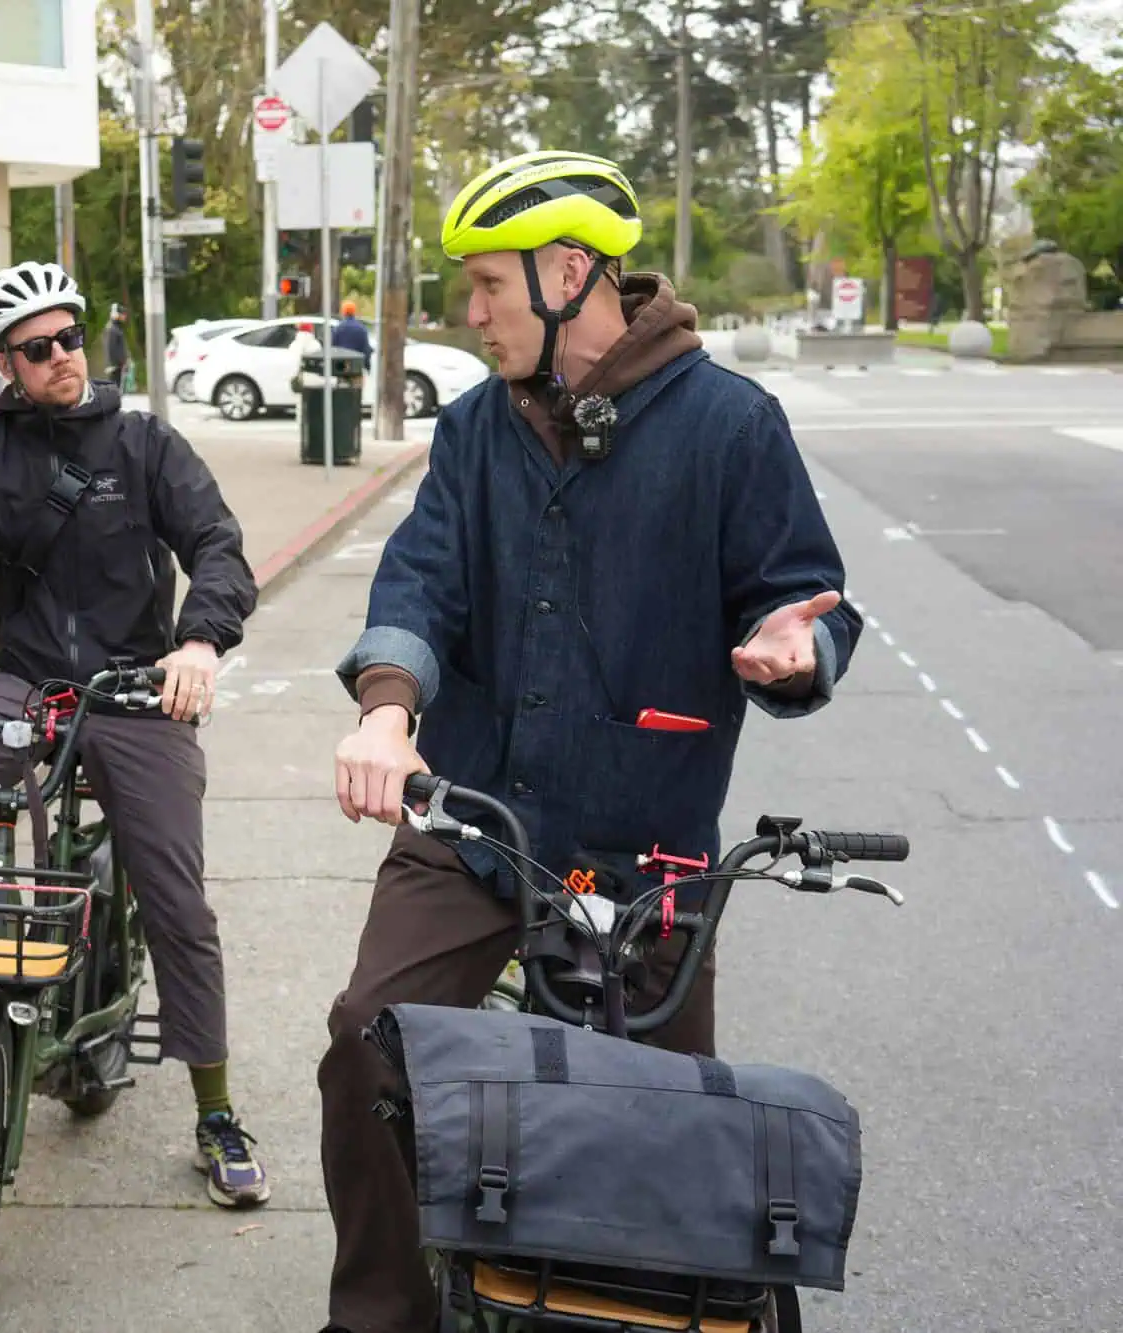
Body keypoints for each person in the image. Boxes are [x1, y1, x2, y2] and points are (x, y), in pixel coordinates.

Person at [317, 150, 862, 1332]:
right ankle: (379, 1315)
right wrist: (385, 708)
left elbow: (806, 598)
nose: (470, 314)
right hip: (473, 827)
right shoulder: (472, 430)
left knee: (654, 1130)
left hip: (645, 846)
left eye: (487, 288)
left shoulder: (728, 426)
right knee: (366, 1043)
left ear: (569, 273)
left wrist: (791, 647)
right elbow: (419, 582)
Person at [0, 260, 271, 1208]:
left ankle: (215, 1107)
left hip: (137, 687)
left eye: (72, 337)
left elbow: (218, 547)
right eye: (40, 348)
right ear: (5, 363)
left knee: (176, 897)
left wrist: (198, 640)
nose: (65, 357)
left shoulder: (145, 445)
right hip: (25, 680)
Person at [101, 302, 133, 392]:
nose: (124, 316)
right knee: (114, 390)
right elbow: (110, 349)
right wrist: (119, 362)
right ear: (116, 314)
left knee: (117, 390)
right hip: (114, 367)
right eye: (122, 314)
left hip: (117, 367)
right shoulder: (111, 329)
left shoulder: (116, 328)